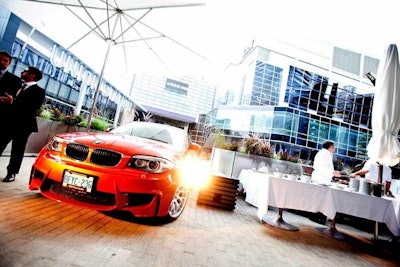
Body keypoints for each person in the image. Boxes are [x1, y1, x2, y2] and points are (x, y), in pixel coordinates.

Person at [0, 66, 45, 182]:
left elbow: (32, 108)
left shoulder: (39, 91)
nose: (22, 72)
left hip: (24, 125)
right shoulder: (17, 85)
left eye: (25, 71)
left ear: (32, 75)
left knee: (17, 149)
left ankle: (12, 173)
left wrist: (13, 102)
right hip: (8, 122)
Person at [0, 51, 22, 123]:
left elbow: (15, 98)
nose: (1, 62)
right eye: (0, 59)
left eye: (5, 61)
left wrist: (11, 101)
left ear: (9, 63)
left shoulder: (16, 80)